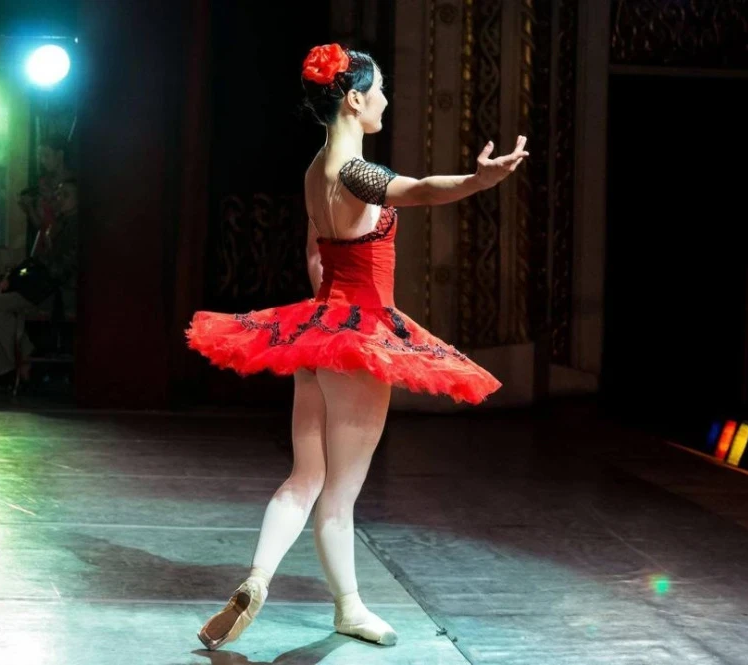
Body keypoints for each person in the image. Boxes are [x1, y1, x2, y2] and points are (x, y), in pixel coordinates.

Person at [186, 44, 528, 650]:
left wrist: (327, 317)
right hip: (359, 338)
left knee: (303, 478)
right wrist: (480, 180)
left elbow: (316, 257)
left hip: (318, 334)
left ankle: (259, 578)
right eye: (379, 91)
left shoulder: (315, 170)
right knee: (339, 497)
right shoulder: (353, 172)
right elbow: (419, 190)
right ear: (352, 99)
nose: (385, 101)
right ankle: (347, 608)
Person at [0, 178, 78, 384]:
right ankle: (7, 368)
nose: (59, 199)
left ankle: (25, 357)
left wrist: (31, 271)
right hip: (44, 287)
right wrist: (18, 274)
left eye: (66, 195)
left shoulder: (77, 228)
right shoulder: (60, 224)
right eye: (58, 194)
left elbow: (60, 268)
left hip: (59, 293)